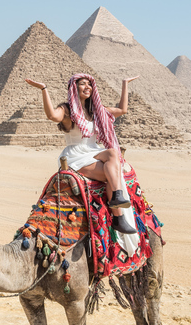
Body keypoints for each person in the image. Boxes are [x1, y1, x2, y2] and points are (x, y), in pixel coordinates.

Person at [25, 73, 139, 234]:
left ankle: (116, 198)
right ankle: (118, 216)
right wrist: (44, 89)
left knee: (114, 154)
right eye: (83, 84)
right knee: (112, 173)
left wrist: (125, 84)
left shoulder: (96, 111)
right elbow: (52, 115)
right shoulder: (66, 110)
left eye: (90, 84)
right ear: (74, 87)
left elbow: (122, 110)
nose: (88, 87)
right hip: (76, 155)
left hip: (94, 151)